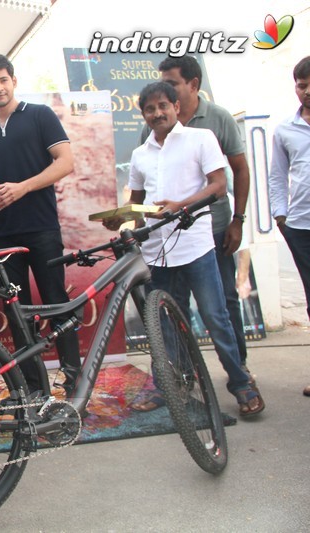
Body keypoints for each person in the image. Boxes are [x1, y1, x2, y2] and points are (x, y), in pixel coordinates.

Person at [114, 81, 264, 417]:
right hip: (157, 252)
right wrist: (120, 219)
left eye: (162, 106)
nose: (157, 113)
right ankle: (170, 385)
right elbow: (137, 204)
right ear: (143, 115)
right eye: (150, 109)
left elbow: (218, 185)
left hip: (196, 246)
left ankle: (241, 384)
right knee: (163, 323)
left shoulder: (201, 139)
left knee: (215, 318)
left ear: (176, 107)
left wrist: (180, 206)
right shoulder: (140, 154)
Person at [0, 54, 81, 396]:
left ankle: (75, 379)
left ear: (14, 81)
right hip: (3, 236)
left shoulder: (39, 115)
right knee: (18, 313)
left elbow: (66, 163)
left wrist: (21, 187)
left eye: (4, 80)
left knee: (56, 302)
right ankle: (34, 388)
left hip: (42, 228)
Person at [139, 55, 252, 371]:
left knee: (221, 306)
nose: (159, 109)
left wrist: (237, 220)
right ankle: (183, 376)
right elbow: (144, 182)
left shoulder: (216, 119)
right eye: (152, 105)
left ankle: (238, 370)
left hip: (213, 230)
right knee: (174, 307)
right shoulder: (151, 130)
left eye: (171, 84)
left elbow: (237, 173)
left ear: (193, 84)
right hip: (167, 239)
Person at [268, 55, 310, 398]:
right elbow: (278, 177)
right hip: (302, 227)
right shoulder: (285, 130)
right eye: (302, 85)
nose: (307, 91)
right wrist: (281, 216)